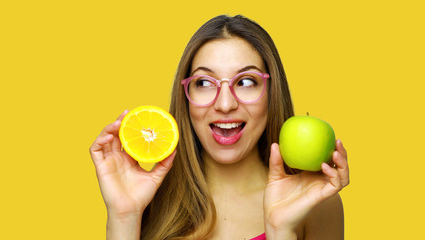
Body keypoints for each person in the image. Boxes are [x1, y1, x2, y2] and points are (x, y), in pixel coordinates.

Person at [90, 15, 349, 240]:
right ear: (185, 97)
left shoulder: (314, 204)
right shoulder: (148, 197)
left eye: (246, 82)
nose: (225, 104)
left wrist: (279, 230)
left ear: (271, 93)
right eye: (204, 83)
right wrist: (124, 215)